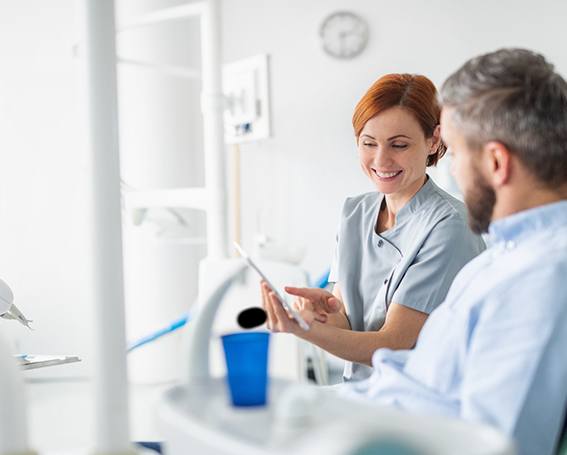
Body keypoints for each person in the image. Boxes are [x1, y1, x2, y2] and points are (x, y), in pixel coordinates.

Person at [335, 48, 567, 455]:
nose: (452, 170)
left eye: (456, 154)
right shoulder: (506, 255)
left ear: (496, 162)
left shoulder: (542, 277)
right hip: (368, 413)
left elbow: (498, 444)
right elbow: (418, 373)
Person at [262, 73, 485, 381]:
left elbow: (391, 345)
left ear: (434, 140)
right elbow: (347, 323)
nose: (381, 160)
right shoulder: (355, 212)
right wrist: (324, 315)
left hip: (420, 406)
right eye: (369, 143)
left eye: (399, 145)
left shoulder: (450, 225)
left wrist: (306, 330)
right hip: (363, 395)